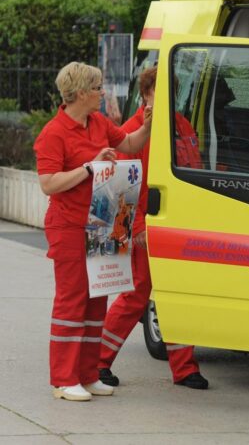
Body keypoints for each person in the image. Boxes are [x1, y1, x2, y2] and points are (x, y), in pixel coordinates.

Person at [34, 61, 152, 401]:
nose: (103, 93)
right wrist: (89, 167)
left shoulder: (98, 122)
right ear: (81, 92)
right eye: (98, 87)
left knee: (97, 299)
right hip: (69, 226)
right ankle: (64, 379)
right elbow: (48, 183)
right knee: (72, 301)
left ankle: (88, 375)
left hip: (102, 222)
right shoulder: (53, 133)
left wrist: (148, 124)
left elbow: (129, 144)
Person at [98, 67, 208, 390]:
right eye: (160, 89)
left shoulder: (181, 126)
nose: (168, 96)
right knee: (135, 296)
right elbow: (124, 185)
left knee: (177, 294)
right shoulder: (132, 132)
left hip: (177, 226)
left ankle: (184, 369)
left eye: (172, 89)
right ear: (146, 93)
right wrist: (136, 228)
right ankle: (98, 361)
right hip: (146, 227)